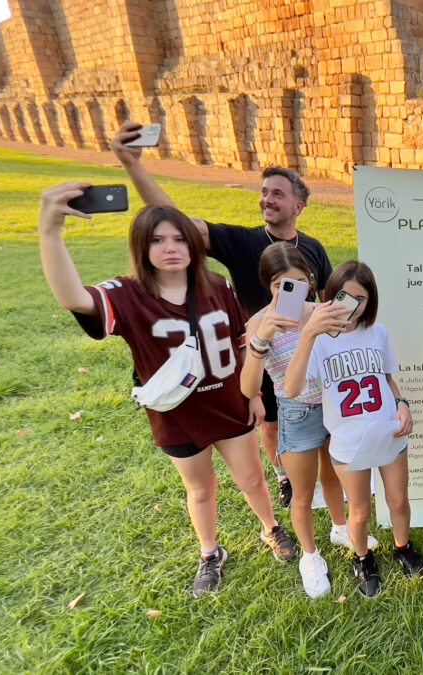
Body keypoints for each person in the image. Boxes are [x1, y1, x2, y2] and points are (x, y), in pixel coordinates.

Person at [37, 182, 296, 598]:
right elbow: (73, 297)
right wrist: (50, 230)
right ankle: (210, 552)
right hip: (176, 413)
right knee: (200, 488)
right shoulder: (127, 294)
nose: (170, 247)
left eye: (179, 238)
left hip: (230, 404)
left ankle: (271, 527)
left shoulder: (218, 285)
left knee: (252, 478)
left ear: (194, 245)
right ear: (142, 246)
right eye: (157, 240)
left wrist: (253, 396)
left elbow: (240, 343)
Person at [111, 120, 334, 509]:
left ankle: (312, 472)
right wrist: (134, 167)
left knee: (308, 413)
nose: (267, 199)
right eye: (264, 192)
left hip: (304, 350)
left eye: (278, 194)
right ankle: (283, 475)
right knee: (270, 421)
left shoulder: (312, 247)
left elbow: (328, 293)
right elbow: (176, 223)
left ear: (298, 205)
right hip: (258, 349)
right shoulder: (243, 240)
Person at [240, 243, 377, 598]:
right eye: (281, 285)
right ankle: (310, 556)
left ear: (312, 280)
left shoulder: (322, 310)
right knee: (303, 493)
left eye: (300, 282)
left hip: (335, 406)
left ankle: (340, 526)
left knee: (333, 478)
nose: (292, 292)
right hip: (296, 412)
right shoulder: (260, 324)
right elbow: (249, 386)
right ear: (267, 286)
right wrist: (261, 339)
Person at [284, 261, 423, 597]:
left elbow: (387, 379)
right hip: (348, 441)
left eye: (360, 298)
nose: (351, 305)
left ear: (370, 301)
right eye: (343, 296)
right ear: (329, 297)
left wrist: (403, 402)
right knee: (360, 510)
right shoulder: (318, 341)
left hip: (388, 431)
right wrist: (308, 333)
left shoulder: (378, 333)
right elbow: (291, 388)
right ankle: (362, 558)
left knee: (398, 501)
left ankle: (402, 546)